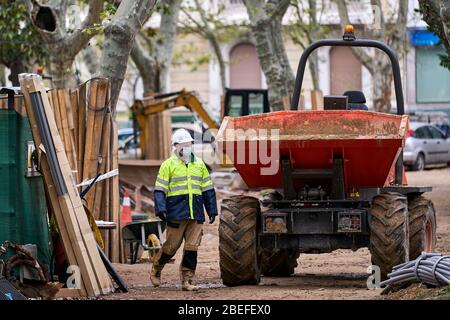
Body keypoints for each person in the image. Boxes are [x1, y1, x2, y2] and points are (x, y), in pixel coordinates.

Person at [151, 128, 218, 291]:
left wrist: (212, 209)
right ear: (176, 146)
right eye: (183, 145)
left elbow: (207, 189)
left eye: (189, 144)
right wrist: (161, 208)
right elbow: (160, 189)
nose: (186, 147)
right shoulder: (168, 165)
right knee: (171, 247)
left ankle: (187, 280)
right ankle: (157, 268)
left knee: (192, 248)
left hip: (195, 213)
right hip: (176, 213)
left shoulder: (199, 164)